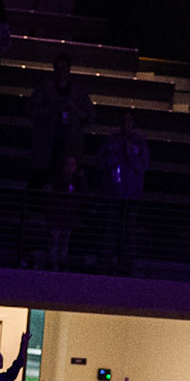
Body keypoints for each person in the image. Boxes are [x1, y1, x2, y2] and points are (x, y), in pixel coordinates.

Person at [27, 54, 92, 187]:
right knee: (39, 180)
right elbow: (32, 110)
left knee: (65, 182)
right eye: (57, 68)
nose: (60, 71)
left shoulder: (78, 91)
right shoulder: (44, 88)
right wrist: (53, 110)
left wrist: (73, 108)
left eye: (63, 68)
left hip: (70, 143)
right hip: (46, 142)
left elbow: (89, 115)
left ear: (69, 69)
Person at [99, 110, 149, 272]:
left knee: (129, 231)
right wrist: (115, 156)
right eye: (123, 121)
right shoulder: (111, 140)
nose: (126, 125)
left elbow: (143, 166)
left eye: (129, 122)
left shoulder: (140, 142)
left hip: (132, 195)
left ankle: (126, 263)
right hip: (113, 193)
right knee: (110, 229)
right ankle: (106, 262)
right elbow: (100, 162)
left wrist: (130, 154)